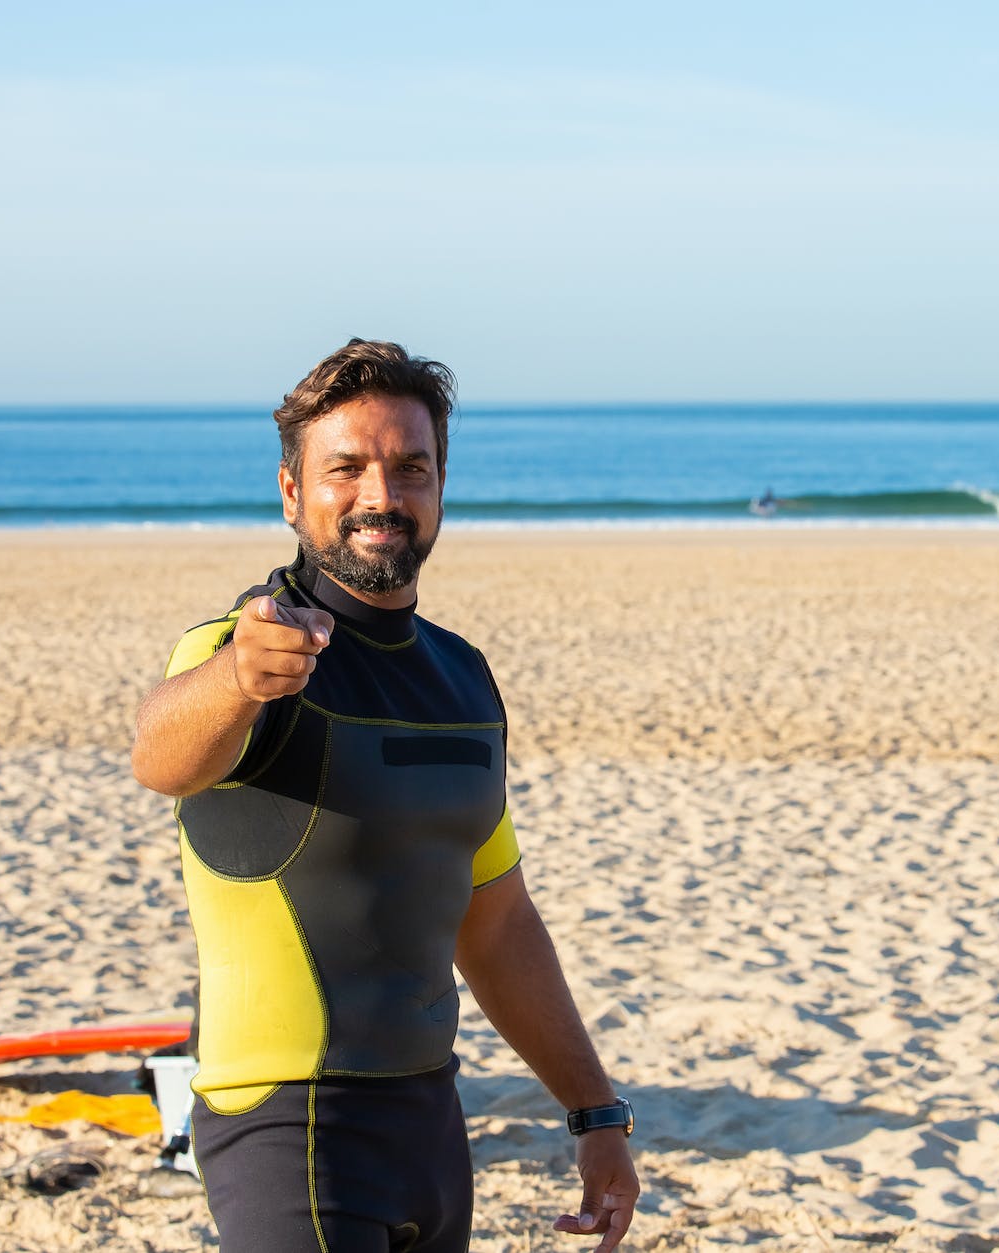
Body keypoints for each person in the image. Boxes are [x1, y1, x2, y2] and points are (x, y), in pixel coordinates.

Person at [131, 339, 640, 1251]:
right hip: (288, 1130)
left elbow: (497, 920)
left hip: (433, 1131)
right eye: (347, 468)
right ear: (292, 491)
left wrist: (594, 1110)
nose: (381, 494)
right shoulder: (244, 646)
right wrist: (241, 679)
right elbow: (161, 754)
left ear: (442, 483)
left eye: (410, 467)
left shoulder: (463, 678)